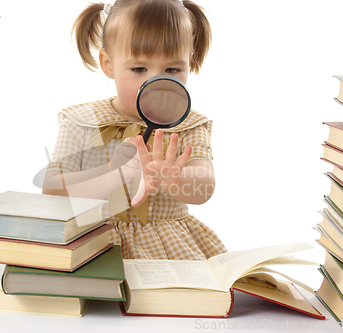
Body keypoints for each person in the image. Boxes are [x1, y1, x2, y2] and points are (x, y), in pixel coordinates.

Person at [43, 0, 227, 260]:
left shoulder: (189, 125)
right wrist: (111, 173)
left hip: (166, 248)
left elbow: (205, 186)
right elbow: (52, 191)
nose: (155, 82)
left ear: (190, 63)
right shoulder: (80, 120)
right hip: (93, 241)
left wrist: (174, 180)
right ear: (108, 64)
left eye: (172, 69)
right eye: (139, 69)